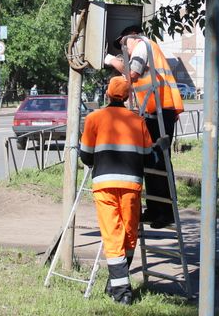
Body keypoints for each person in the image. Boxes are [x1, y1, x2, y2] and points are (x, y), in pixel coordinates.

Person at [79, 77, 157, 305]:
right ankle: (119, 284)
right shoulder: (137, 120)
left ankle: (121, 291)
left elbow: (85, 156)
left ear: (107, 94)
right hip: (131, 185)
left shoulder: (93, 118)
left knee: (113, 234)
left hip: (104, 185)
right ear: (126, 97)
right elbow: (149, 157)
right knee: (129, 233)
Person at [104, 25, 184, 229]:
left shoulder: (142, 45)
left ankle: (165, 212)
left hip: (160, 110)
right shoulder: (144, 48)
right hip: (154, 111)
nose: (125, 50)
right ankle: (155, 209)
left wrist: (112, 61)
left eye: (123, 45)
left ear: (130, 37)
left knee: (159, 161)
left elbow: (133, 75)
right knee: (150, 160)